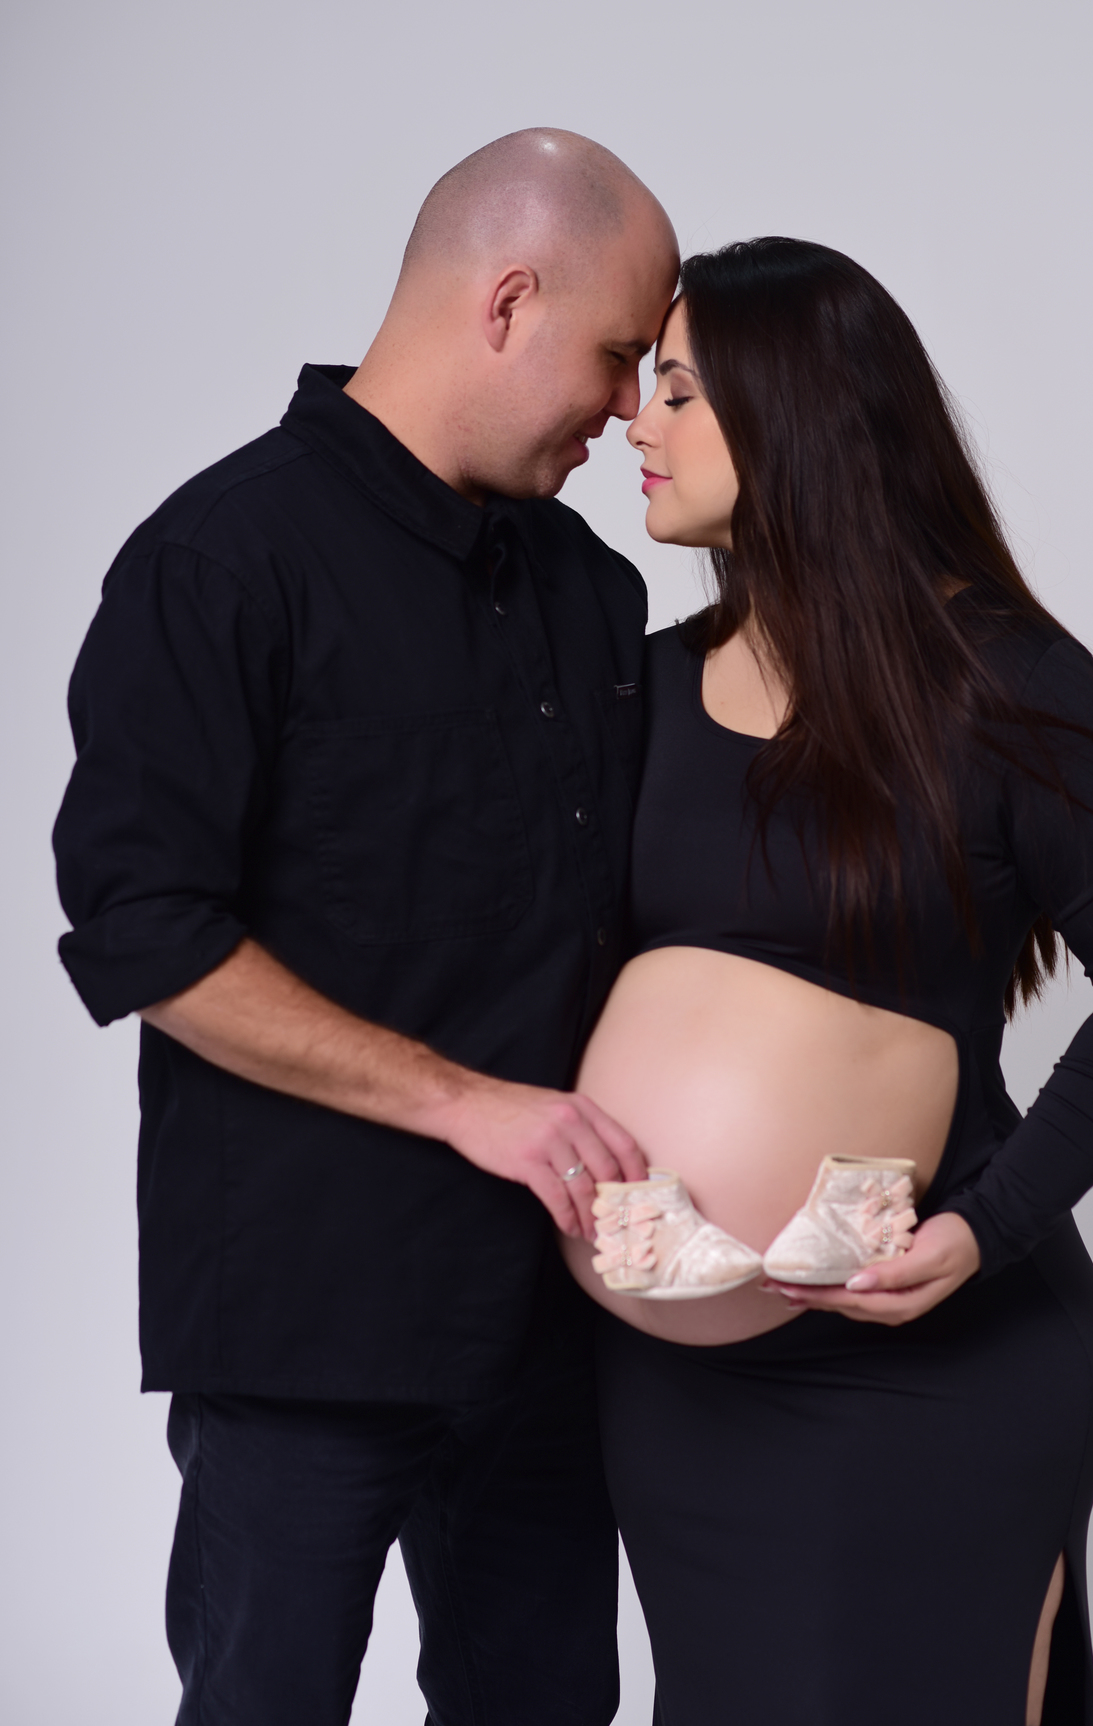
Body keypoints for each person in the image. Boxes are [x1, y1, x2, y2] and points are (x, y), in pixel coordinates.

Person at [52, 128, 678, 1726]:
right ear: (507, 301)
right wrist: (468, 1104)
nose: (628, 410)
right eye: (616, 358)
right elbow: (142, 926)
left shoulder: (593, 588)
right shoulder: (221, 560)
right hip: (304, 1332)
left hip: (553, 1321)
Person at [558, 238, 1093, 1726]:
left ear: (799, 417)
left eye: (677, 391)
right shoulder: (639, 689)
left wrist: (988, 1224)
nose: (635, 426)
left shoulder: (1004, 679)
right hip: (682, 1394)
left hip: (934, 1369)